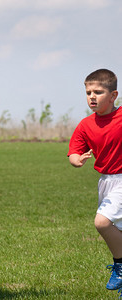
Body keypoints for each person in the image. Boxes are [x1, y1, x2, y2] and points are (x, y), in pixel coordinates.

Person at [68, 69, 122, 295]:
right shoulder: (86, 124)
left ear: (113, 95)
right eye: (88, 92)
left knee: (102, 223)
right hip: (106, 182)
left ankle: (120, 266)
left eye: (98, 92)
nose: (92, 96)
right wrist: (76, 159)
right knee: (117, 229)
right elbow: (73, 151)